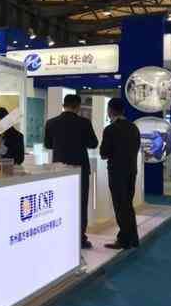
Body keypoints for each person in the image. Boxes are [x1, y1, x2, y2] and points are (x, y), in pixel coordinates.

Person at [44, 94, 99, 249]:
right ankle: (80, 238)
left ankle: (61, 236)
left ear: (63, 105)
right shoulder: (84, 123)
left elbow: (48, 145)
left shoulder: (51, 122)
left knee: (60, 203)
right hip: (80, 168)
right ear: (78, 106)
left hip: (59, 169)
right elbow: (93, 143)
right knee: (81, 204)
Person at [100, 98, 141, 249]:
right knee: (128, 205)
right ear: (123, 110)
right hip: (131, 170)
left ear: (110, 110)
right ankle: (132, 238)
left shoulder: (110, 129)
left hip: (116, 172)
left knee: (120, 206)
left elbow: (104, 153)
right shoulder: (134, 128)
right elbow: (137, 147)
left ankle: (124, 239)